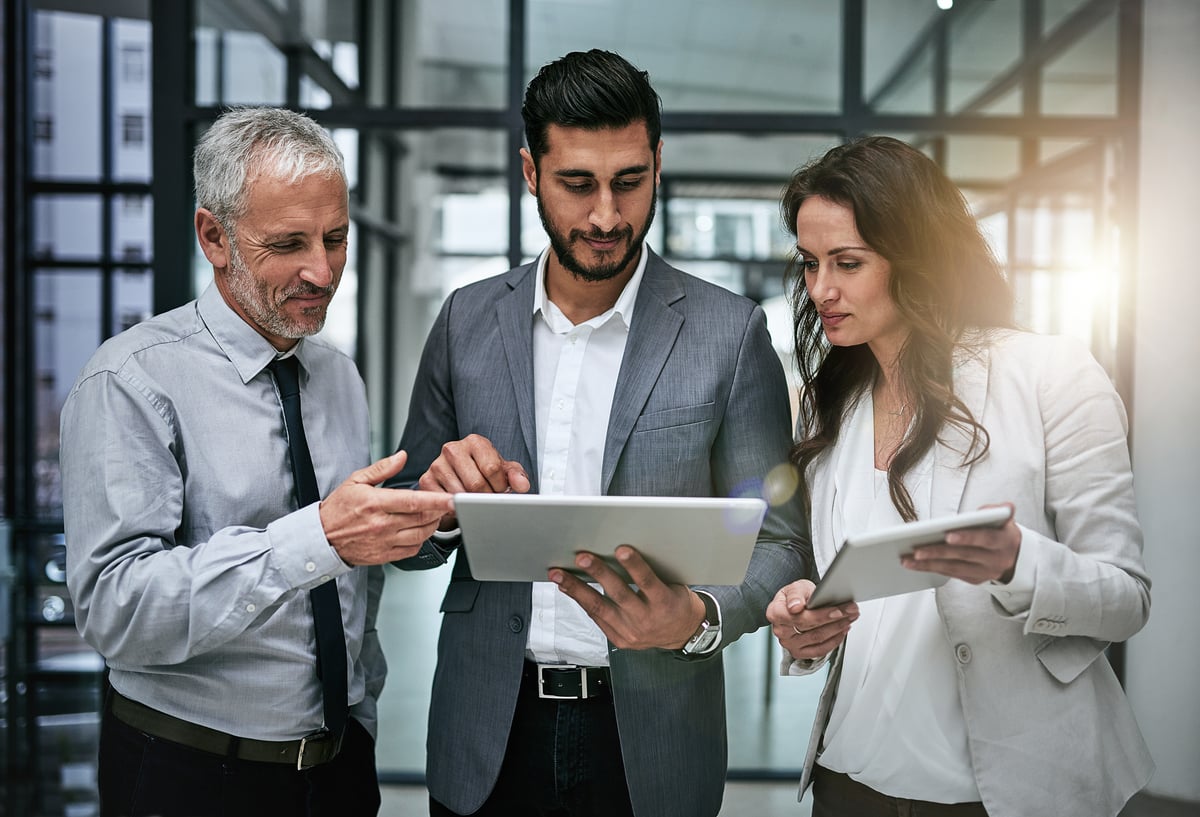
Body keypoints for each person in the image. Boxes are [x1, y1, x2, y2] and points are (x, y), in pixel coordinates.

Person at [388, 49, 812, 817]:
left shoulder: (729, 333)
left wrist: (698, 620)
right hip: (487, 729)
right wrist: (433, 501)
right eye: (577, 184)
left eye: (629, 181)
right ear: (529, 172)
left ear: (658, 162)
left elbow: (780, 542)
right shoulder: (465, 319)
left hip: (652, 741)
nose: (607, 216)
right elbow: (409, 539)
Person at [60, 106, 454, 817]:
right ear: (215, 236)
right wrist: (314, 540)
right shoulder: (130, 380)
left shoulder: (338, 374)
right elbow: (115, 608)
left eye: (336, 238)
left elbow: (346, 578)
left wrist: (434, 510)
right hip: (192, 775)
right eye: (288, 243)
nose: (323, 269)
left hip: (336, 768)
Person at [767, 135, 1154, 817]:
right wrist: (805, 622)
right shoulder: (834, 410)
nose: (820, 289)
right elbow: (855, 594)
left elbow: (1126, 598)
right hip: (850, 781)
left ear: (917, 256)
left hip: (1002, 792)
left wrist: (1017, 563)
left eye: (847, 263)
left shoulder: (1051, 375)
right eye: (810, 263)